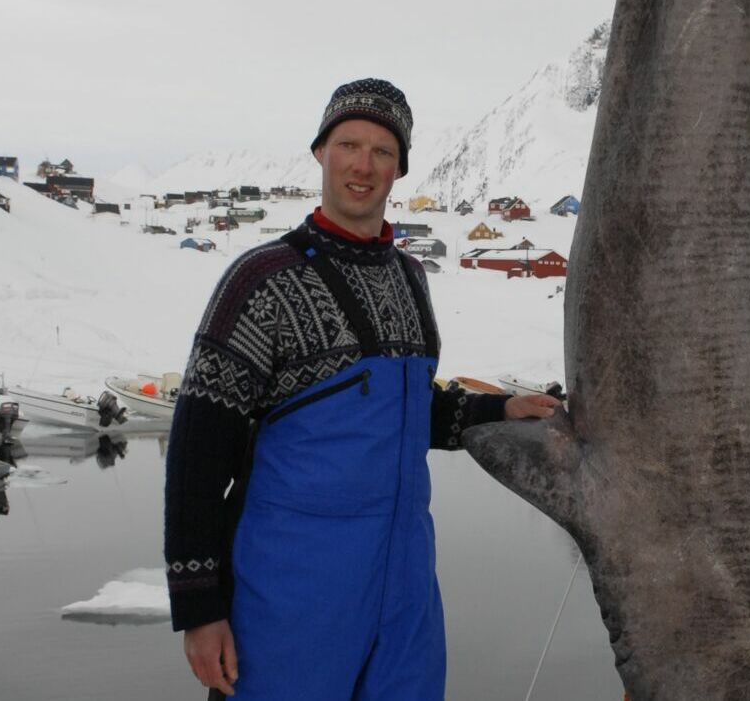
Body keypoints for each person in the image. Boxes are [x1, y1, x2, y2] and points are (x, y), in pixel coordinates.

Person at [163, 77, 559, 699]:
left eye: (382, 151)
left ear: (399, 168)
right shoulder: (260, 280)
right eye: (349, 144)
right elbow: (195, 453)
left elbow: (402, 413)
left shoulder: (409, 276)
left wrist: (500, 408)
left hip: (404, 593)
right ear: (321, 152)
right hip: (289, 595)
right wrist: (199, 609)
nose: (363, 165)